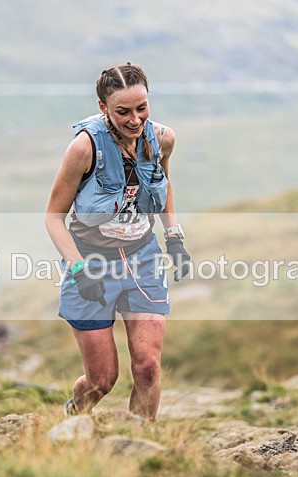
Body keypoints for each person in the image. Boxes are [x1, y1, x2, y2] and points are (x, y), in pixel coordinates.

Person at [45, 62, 191, 421]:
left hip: (142, 257)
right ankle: (73, 417)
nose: (135, 120)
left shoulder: (163, 139)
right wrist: (79, 270)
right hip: (92, 262)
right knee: (102, 380)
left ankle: (140, 449)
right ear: (102, 108)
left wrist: (174, 238)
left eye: (142, 108)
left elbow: (163, 183)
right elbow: (52, 217)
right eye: (123, 111)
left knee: (147, 367)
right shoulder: (83, 148)